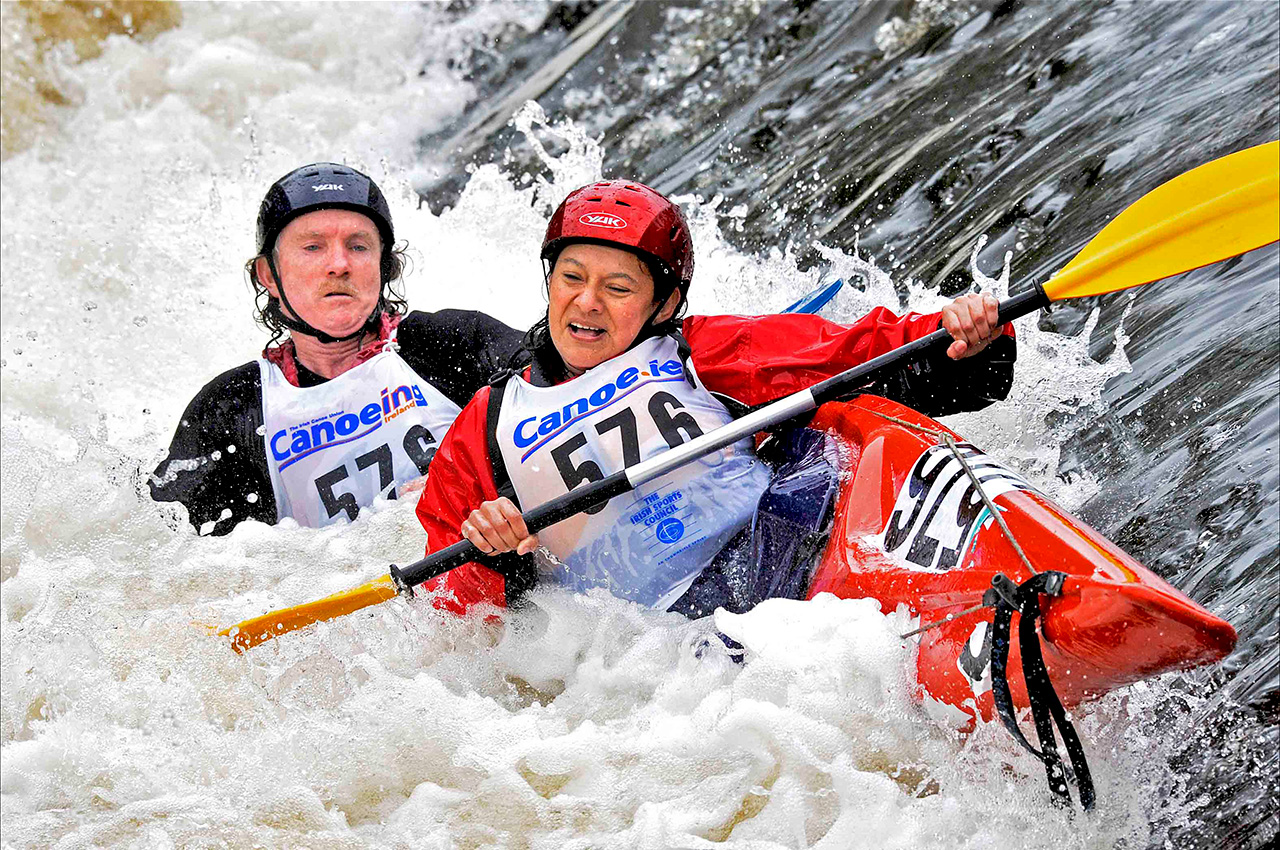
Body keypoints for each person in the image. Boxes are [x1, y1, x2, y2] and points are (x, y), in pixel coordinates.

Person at [413, 179, 1016, 616]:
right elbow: (457, 612)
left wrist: (962, 339)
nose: (587, 301)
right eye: (572, 277)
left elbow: (853, 355)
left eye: (618, 287)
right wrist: (499, 557)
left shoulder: (700, 351)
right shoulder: (484, 428)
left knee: (821, 442)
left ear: (665, 303)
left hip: (779, 556)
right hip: (655, 642)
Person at [151, 163, 524, 534]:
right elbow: (168, 552)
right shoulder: (231, 411)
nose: (339, 265)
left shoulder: (454, 344)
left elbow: (555, 401)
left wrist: (486, 492)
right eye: (313, 247)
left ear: (384, 265)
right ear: (269, 275)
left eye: (358, 246)